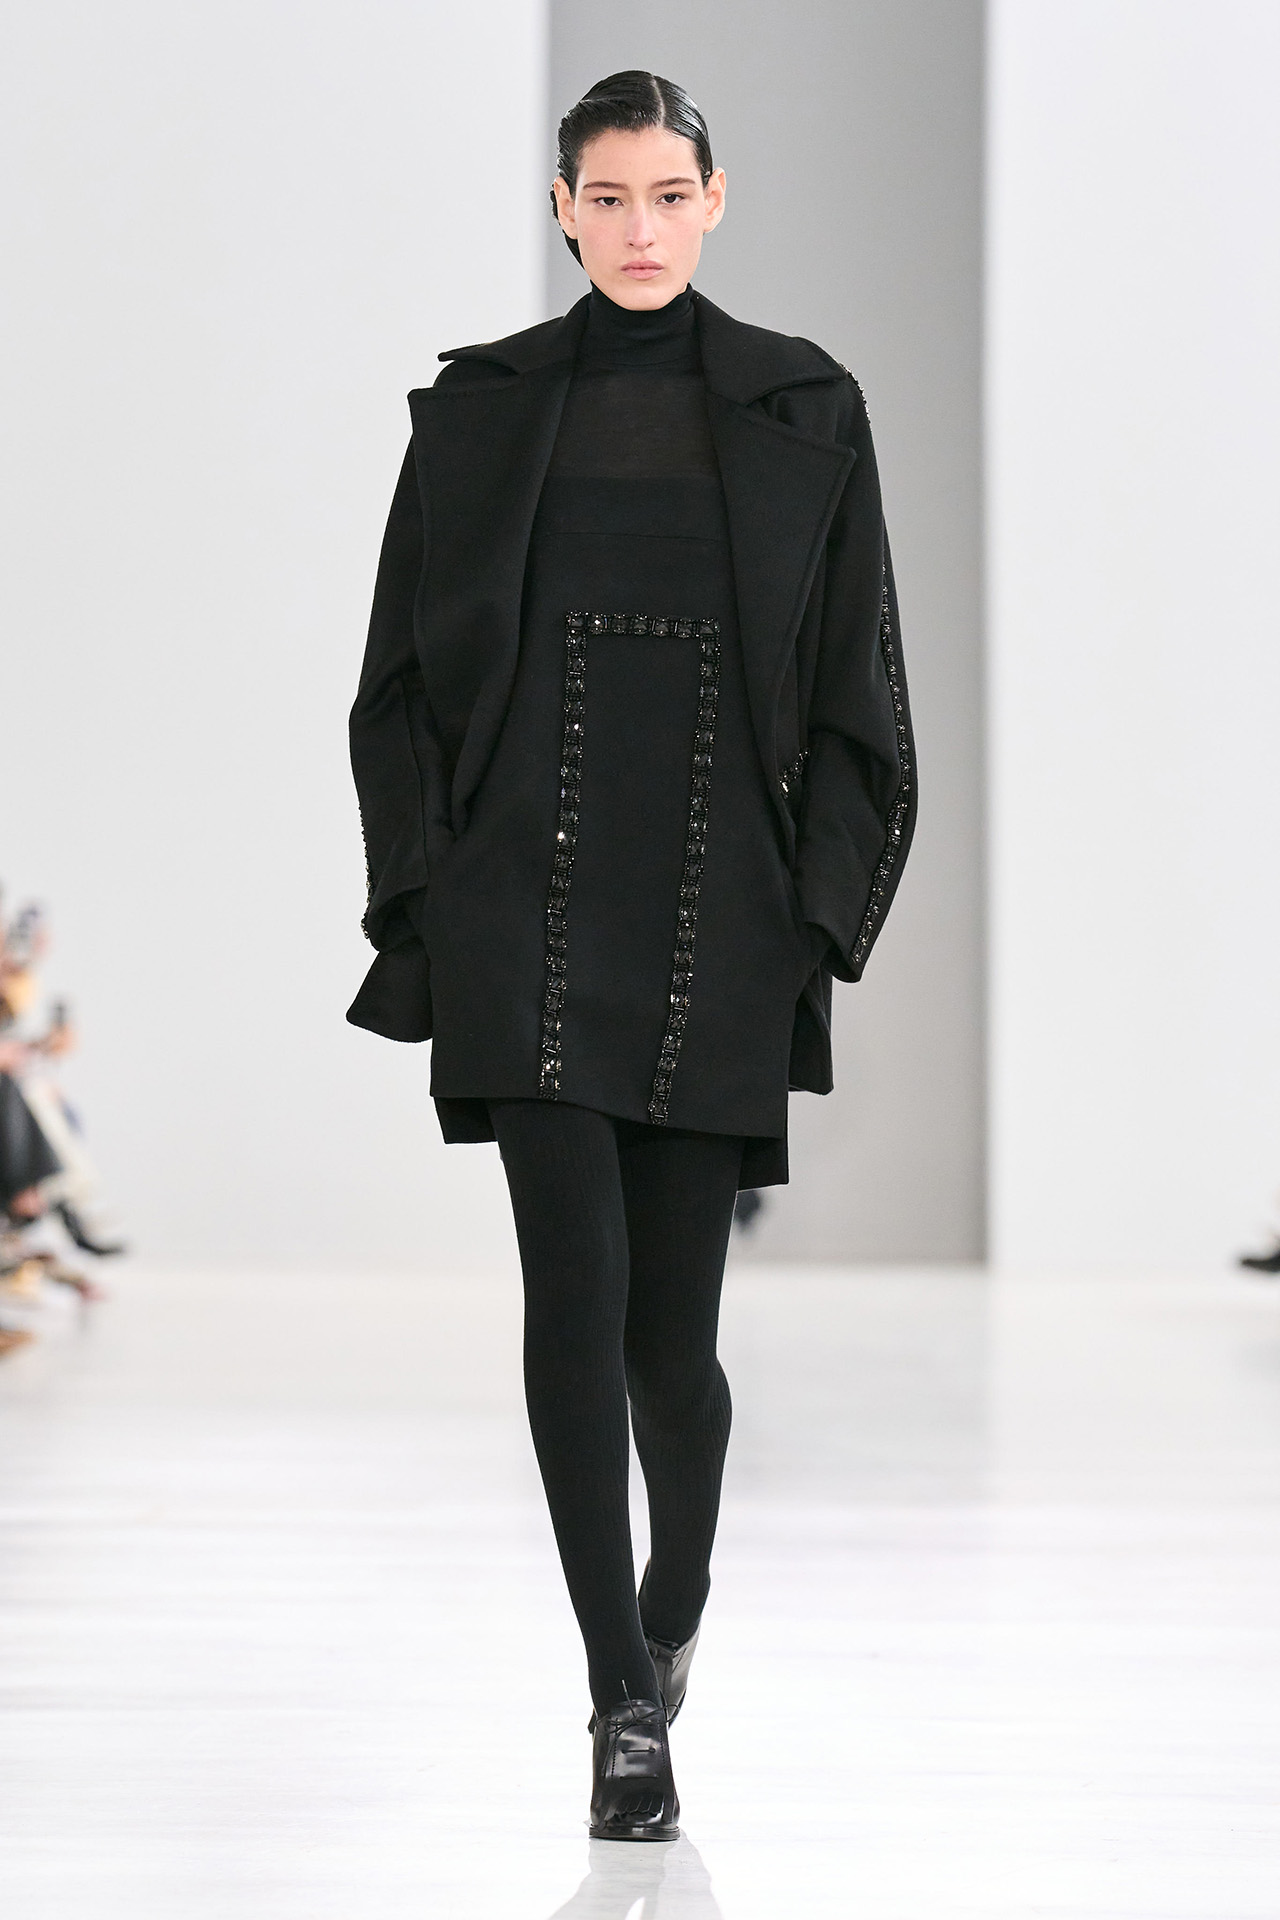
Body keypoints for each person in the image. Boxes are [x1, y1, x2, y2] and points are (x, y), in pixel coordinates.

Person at [348, 71, 916, 1840]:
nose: (642, 226)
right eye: (609, 197)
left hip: (715, 914)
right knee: (571, 1309)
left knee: (674, 1352)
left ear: (716, 200)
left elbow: (863, 693)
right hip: (525, 903)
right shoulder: (480, 411)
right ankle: (618, 1702)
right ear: (564, 210)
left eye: (671, 193)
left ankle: (676, 1600)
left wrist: (815, 922)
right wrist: (431, 892)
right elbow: (396, 686)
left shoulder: (806, 405)